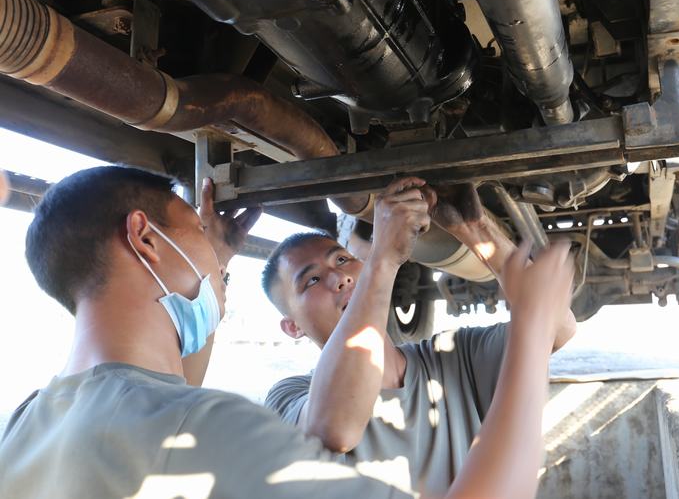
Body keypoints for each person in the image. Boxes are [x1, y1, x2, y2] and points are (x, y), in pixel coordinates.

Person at [0, 165, 575, 499]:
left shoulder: (26, 424)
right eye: (197, 231)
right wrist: (527, 321)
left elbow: (166, 393)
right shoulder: (227, 422)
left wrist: (210, 258)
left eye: (342, 261)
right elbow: (331, 424)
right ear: (146, 240)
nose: (217, 265)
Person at [262, 178, 577, 496]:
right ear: (293, 327)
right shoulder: (288, 396)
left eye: (342, 260)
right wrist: (383, 257)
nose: (339, 277)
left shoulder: (454, 357)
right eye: (312, 280)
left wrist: (474, 228)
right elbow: (335, 428)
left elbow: (558, 328)